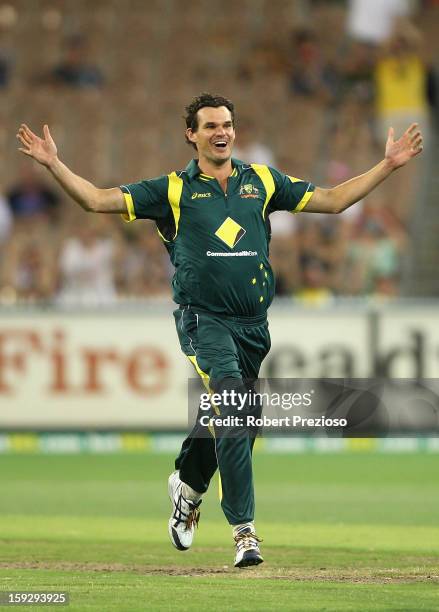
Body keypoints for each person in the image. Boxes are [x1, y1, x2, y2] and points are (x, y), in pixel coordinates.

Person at [17, 93, 423, 568]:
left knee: (236, 422)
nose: (221, 132)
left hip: (253, 327)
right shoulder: (172, 189)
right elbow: (95, 200)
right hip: (203, 320)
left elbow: (332, 201)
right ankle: (244, 533)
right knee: (231, 404)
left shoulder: (262, 181)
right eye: (210, 126)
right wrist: (54, 164)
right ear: (192, 134)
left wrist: (387, 165)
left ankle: (187, 486)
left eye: (227, 124)